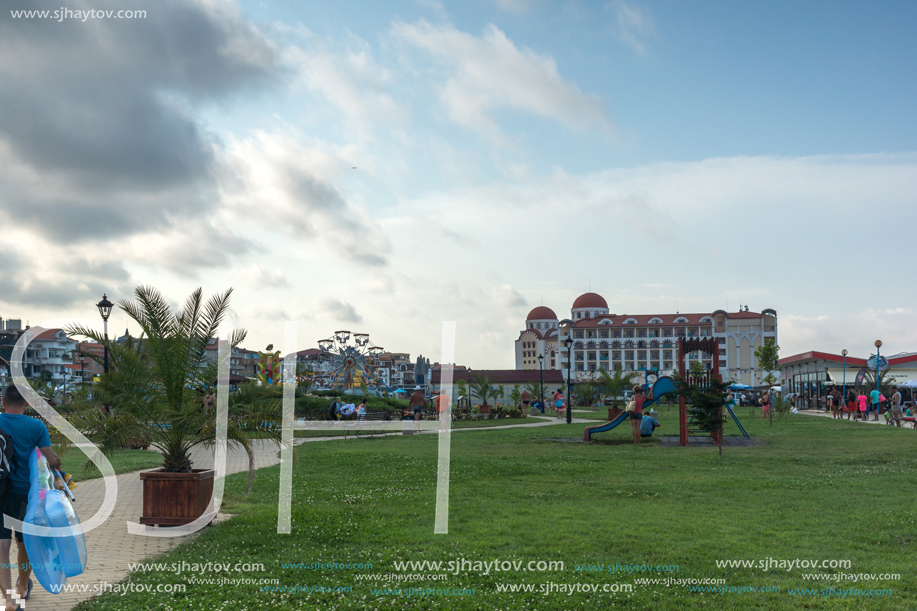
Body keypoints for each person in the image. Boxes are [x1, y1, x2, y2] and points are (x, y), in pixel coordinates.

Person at [0, 385, 62, 611]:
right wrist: (54, 463)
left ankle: (8, 600)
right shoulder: (36, 426)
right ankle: (23, 587)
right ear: (26, 403)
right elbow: (53, 460)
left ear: (3, 401)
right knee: (24, 543)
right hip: (23, 494)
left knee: (1, 546)